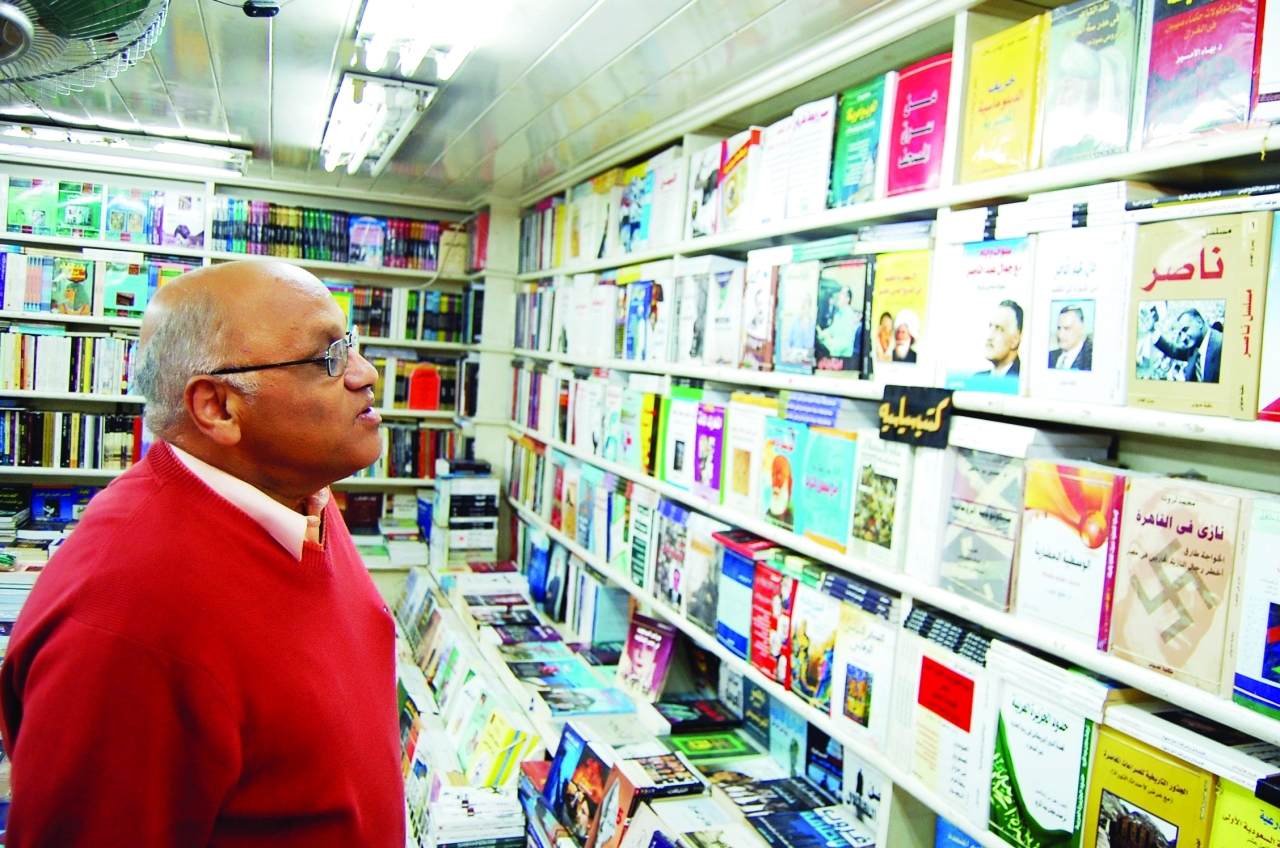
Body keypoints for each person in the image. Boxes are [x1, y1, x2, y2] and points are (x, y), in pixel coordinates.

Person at [0, 261, 404, 846]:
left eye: (352, 343)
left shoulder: (290, 490)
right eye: (328, 358)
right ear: (217, 408)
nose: (365, 373)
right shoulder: (126, 623)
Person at [979, 299, 1023, 378]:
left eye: (999, 329)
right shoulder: (978, 379)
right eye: (990, 327)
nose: (989, 337)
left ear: (1015, 340)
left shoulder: (1023, 378)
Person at [816, 286, 862, 359]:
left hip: (843, 359)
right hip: (834, 356)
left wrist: (831, 342)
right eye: (839, 292)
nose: (838, 295)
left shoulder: (849, 315)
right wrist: (822, 334)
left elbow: (847, 341)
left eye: (842, 293)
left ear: (847, 299)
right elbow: (832, 329)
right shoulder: (839, 314)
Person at [1048, 305, 1093, 370]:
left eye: (1067, 328)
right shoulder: (1049, 357)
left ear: (1081, 329)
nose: (1060, 334)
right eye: (1059, 328)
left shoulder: (1090, 360)